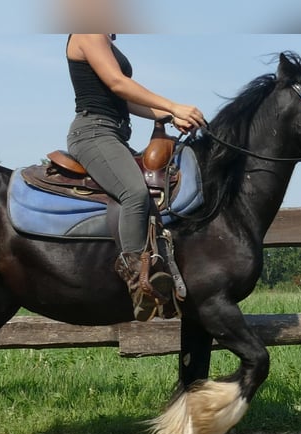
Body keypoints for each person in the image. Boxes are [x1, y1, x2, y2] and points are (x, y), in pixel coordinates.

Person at [65, 34, 206, 321]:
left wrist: (168, 115)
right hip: (93, 133)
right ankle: (137, 282)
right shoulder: (88, 30)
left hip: (113, 134)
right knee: (134, 193)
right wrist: (174, 105)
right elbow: (119, 83)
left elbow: (123, 98)